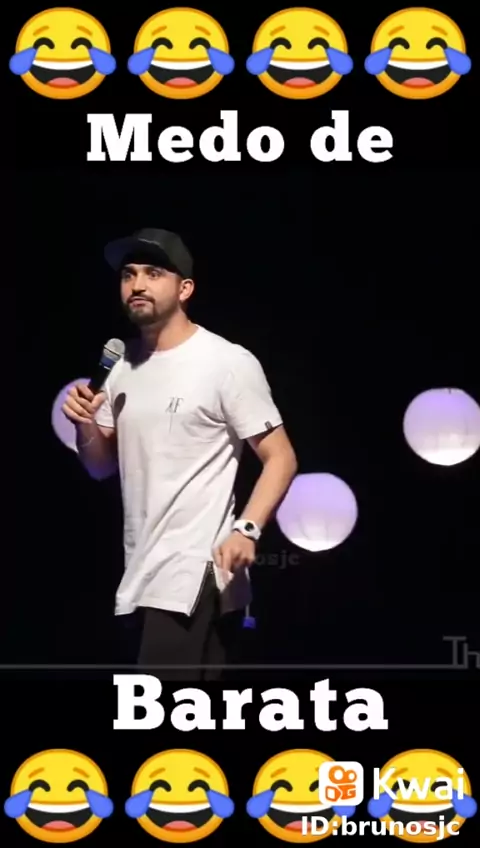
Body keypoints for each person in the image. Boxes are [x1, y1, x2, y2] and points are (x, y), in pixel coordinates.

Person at [62, 228, 297, 679]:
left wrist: (246, 529)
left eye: (153, 273)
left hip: (194, 568)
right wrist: (85, 424)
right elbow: (100, 467)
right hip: (139, 573)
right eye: (129, 275)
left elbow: (281, 457)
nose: (137, 285)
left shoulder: (226, 362)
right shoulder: (120, 366)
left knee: (152, 705)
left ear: (185, 288)